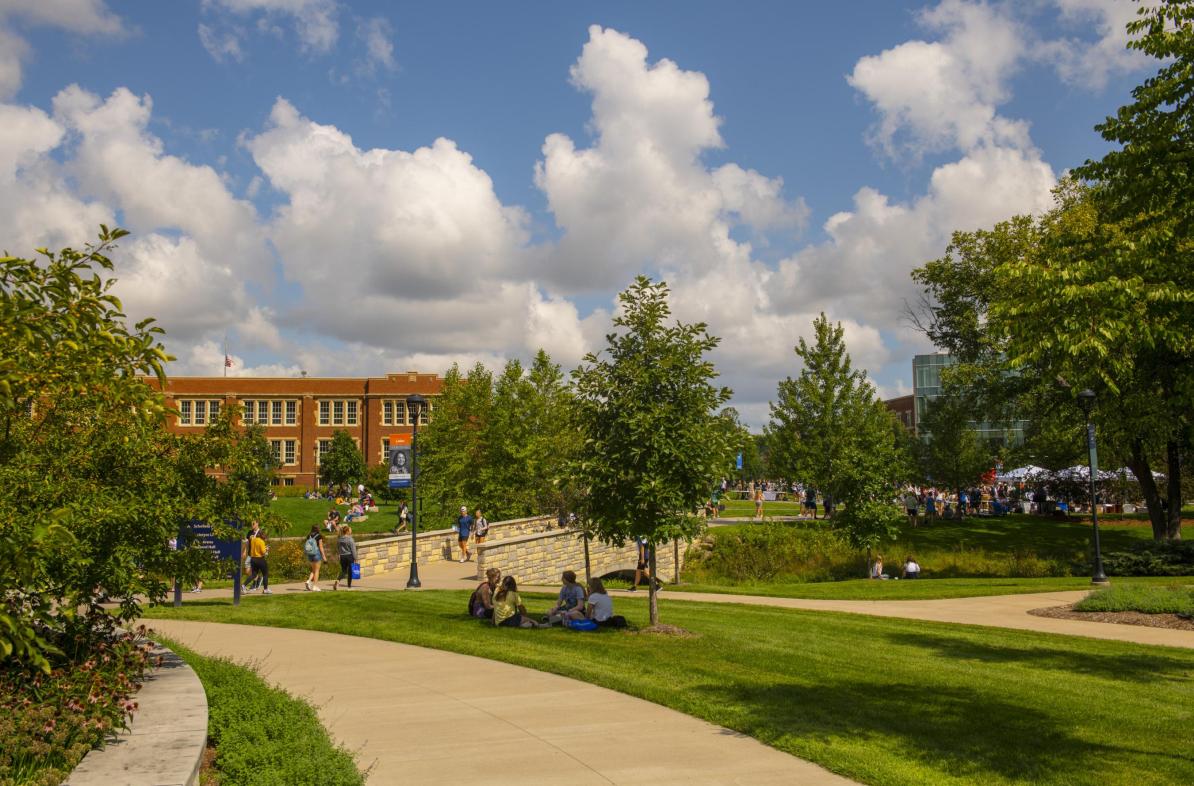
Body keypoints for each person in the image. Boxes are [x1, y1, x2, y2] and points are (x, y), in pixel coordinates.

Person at [243, 522, 271, 594]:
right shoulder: (261, 542)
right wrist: (267, 550)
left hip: (253, 559)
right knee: (265, 574)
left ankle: (243, 585)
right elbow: (264, 553)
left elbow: (252, 549)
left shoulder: (253, 540)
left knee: (253, 574)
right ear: (262, 535)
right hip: (260, 559)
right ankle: (265, 589)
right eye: (264, 536)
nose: (265, 537)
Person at [333, 524, 358, 590]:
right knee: (350, 572)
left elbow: (338, 548)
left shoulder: (339, 539)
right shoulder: (350, 539)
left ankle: (338, 580)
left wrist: (339, 554)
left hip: (342, 556)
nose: (351, 531)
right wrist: (355, 558)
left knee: (344, 571)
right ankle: (349, 587)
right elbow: (353, 549)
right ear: (347, 531)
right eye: (350, 530)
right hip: (349, 556)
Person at [303, 525, 325, 591]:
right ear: (318, 529)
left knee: (313, 570)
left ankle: (308, 581)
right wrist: (324, 556)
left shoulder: (308, 536)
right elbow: (321, 547)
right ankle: (315, 586)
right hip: (316, 553)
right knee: (317, 570)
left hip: (310, 554)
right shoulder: (319, 536)